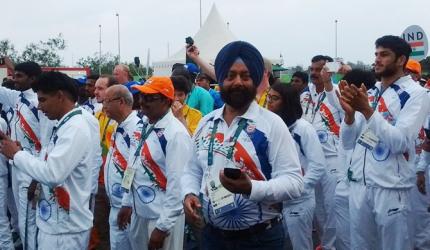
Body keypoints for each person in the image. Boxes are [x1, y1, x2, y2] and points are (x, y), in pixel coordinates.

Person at [181, 41, 303, 250]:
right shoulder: (206, 123)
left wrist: (252, 188)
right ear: (220, 80)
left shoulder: (272, 124)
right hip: (212, 237)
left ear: (255, 80)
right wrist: (189, 193)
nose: (237, 82)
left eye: (245, 76)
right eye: (230, 76)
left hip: (259, 239)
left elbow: (294, 182)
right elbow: (191, 169)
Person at [338, 35, 430, 250]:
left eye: (384, 54)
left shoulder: (417, 94)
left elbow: (400, 142)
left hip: (391, 189)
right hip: (360, 187)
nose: (377, 59)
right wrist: (350, 116)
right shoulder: (370, 92)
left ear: (401, 60)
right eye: (376, 54)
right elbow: (349, 143)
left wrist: (367, 111)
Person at [0, 71, 95, 249]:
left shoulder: (75, 127)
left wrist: (17, 155)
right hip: (57, 223)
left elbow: (53, 174)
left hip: (65, 230)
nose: (39, 107)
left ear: (60, 96)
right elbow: (49, 164)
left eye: (43, 100)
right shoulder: (65, 124)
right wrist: (21, 153)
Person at [117, 76, 192, 250]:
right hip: (139, 214)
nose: (142, 102)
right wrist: (127, 202)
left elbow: (177, 184)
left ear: (167, 101)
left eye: (150, 98)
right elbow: (133, 165)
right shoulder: (143, 125)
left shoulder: (176, 134)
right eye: (142, 96)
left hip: (162, 217)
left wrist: (162, 226)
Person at [0, 61, 53, 250]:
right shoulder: (17, 98)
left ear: (33, 78)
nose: (14, 80)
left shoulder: (41, 104)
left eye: (19, 76)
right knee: (23, 220)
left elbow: (46, 144)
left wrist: (36, 179)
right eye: (14, 75)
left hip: (31, 170)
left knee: (28, 223)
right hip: (17, 167)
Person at [267, 83, 326, 250]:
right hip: (274, 201)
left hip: (298, 202)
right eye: (269, 97)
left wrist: (297, 188)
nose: (269, 101)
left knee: (299, 246)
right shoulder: (270, 128)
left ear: (288, 102)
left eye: (275, 98)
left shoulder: (303, 128)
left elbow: (318, 166)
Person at [302, 55, 343, 250]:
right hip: (310, 159)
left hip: (332, 158)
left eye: (319, 69)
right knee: (316, 206)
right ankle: (323, 243)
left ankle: (331, 246)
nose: (314, 73)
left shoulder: (337, 93)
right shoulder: (304, 96)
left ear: (329, 71)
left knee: (331, 206)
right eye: (312, 69)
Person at [103, 85, 140, 250]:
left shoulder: (136, 129)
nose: (103, 107)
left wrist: (127, 203)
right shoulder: (119, 125)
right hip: (116, 204)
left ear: (122, 102)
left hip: (128, 208)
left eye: (107, 101)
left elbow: (133, 169)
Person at [90, 75, 119, 250]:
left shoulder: (122, 117)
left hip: (117, 180)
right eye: (95, 88)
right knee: (100, 224)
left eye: (100, 88)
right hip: (99, 179)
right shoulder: (96, 114)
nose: (95, 92)